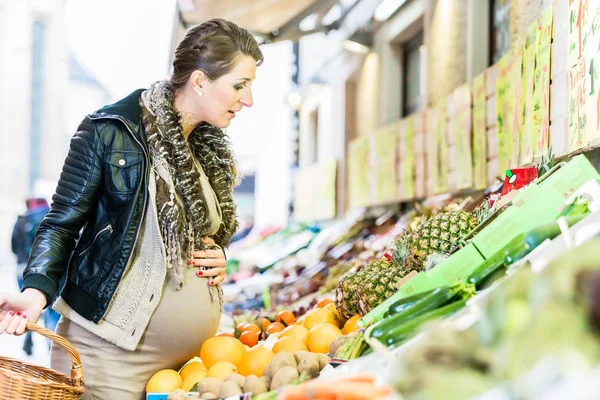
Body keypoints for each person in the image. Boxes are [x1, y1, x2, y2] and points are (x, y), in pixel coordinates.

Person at [0, 18, 262, 399]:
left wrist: (216, 254)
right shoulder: (109, 130)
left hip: (181, 370)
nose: (248, 100)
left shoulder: (205, 149)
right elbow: (61, 223)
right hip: (108, 358)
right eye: (240, 85)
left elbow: (195, 231)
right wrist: (36, 291)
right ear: (200, 81)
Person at [10, 197, 61, 355]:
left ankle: (28, 334)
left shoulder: (21, 221)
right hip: (48, 271)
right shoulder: (51, 218)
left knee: (26, 305)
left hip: (22, 269)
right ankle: (52, 345)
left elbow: (13, 245)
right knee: (50, 308)